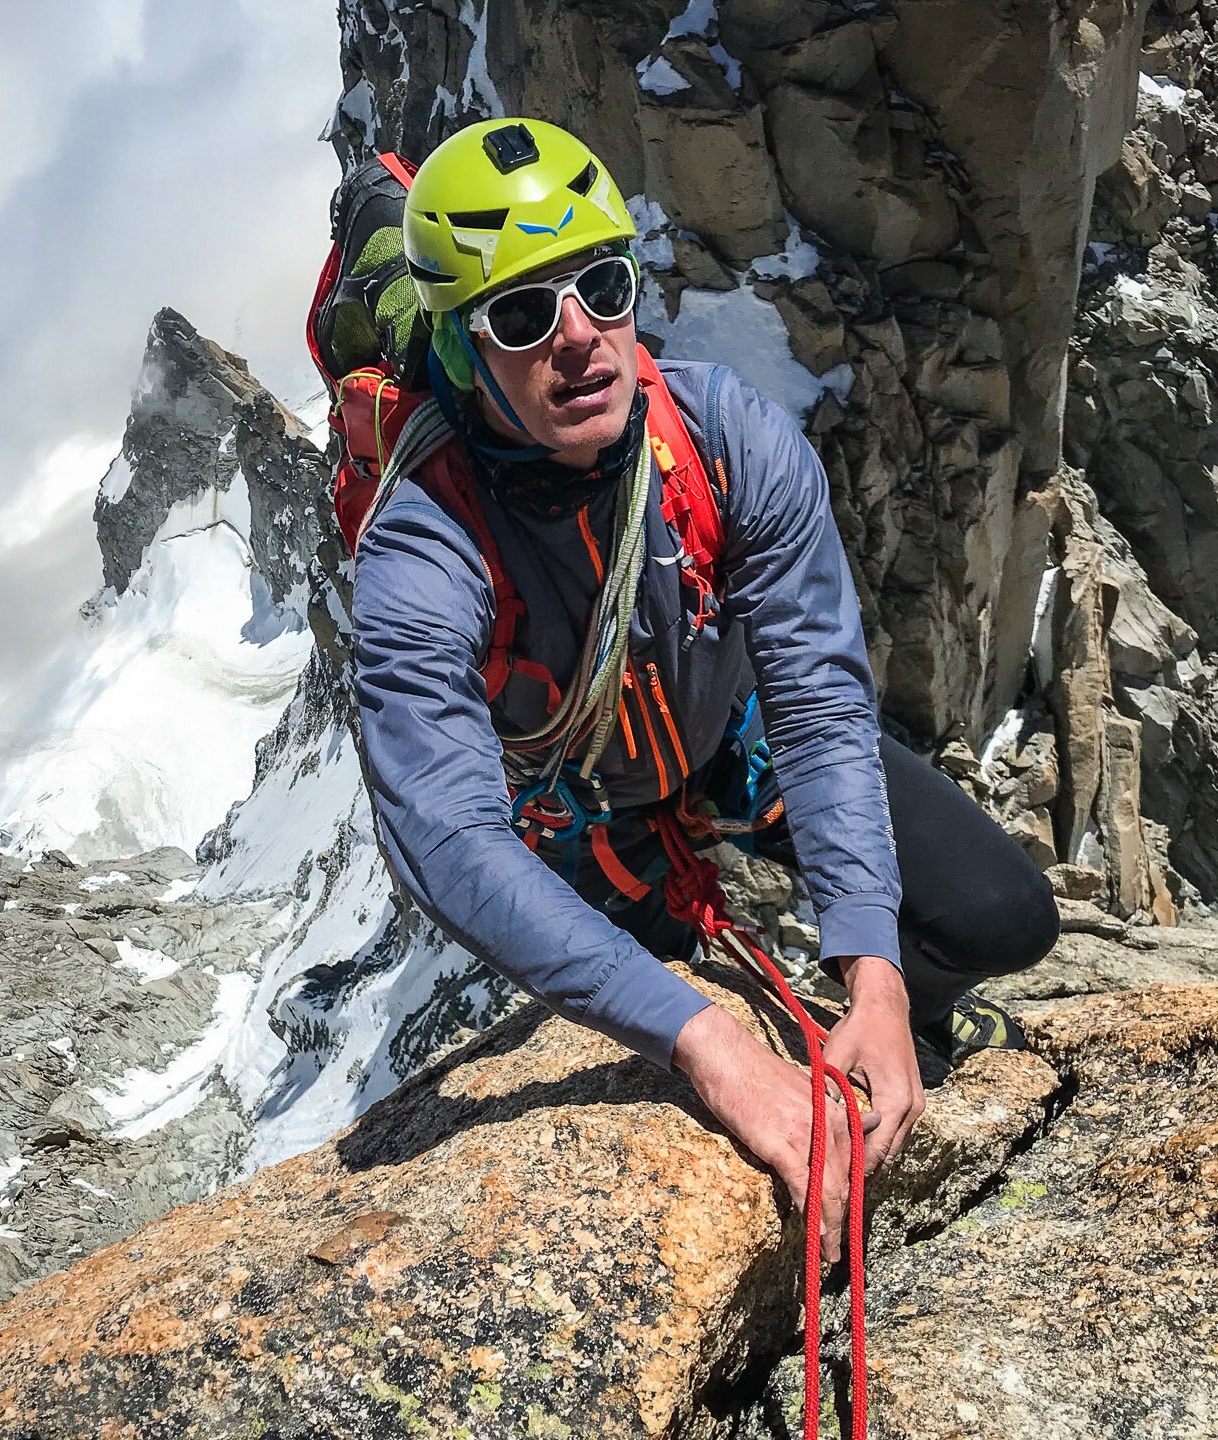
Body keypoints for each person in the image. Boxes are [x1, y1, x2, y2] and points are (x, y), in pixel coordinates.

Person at [346, 118, 1059, 1258]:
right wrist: (713, 1049)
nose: (578, 340)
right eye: (522, 316)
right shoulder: (425, 555)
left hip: (730, 737)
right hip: (577, 818)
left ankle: (908, 1018)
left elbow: (820, 703)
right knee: (678, 1056)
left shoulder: (725, 437)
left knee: (1002, 917)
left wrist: (872, 979)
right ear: (466, 347)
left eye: (602, 285)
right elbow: (451, 842)